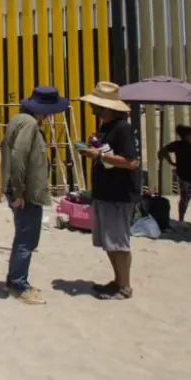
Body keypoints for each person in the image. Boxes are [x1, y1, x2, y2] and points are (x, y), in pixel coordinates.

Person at [0, 86, 69, 305]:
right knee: (27, 239)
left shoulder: (18, 120)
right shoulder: (29, 124)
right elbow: (18, 156)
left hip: (19, 189)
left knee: (23, 236)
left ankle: (16, 279)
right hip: (26, 192)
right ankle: (18, 285)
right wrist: (19, 191)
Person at [77, 81, 141, 301]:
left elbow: (131, 162)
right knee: (110, 242)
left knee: (118, 242)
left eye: (97, 105)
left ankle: (124, 286)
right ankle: (117, 281)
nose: (93, 109)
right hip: (105, 192)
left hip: (119, 193)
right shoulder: (107, 128)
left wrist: (100, 156)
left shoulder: (122, 128)